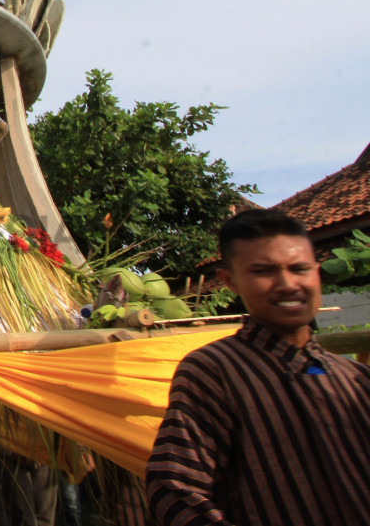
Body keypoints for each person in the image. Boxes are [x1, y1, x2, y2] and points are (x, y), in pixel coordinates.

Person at [146, 209, 370, 525]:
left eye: (300, 269)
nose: (288, 284)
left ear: (316, 272)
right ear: (230, 281)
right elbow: (174, 491)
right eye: (264, 271)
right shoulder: (214, 371)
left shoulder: (355, 378)